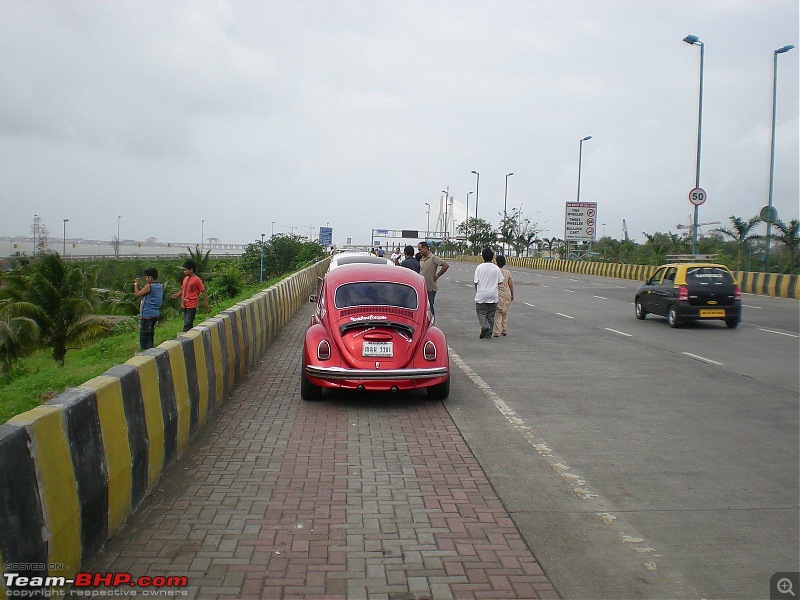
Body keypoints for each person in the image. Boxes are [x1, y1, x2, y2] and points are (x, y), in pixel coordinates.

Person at [172, 260, 210, 332]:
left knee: (187, 324)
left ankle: (184, 337)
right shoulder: (185, 279)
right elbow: (183, 290)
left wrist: (206, 304)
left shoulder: (197, 280)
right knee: (187, 323)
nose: (184, 272)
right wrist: (177, 295)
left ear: (191, 270)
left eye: (185, 270)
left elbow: (203, 290)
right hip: (184, 305)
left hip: (192, 305)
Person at [474, 248, 503, 339]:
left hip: (482, 293)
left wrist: (478, 291)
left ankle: (485, 326)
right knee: (490, 315)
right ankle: (488, 333)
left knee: (481, 312)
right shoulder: (496, 268)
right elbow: (500, 281)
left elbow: (476, 282)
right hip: (493, 294)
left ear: (483, 256)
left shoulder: (479, 267)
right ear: (492, 257)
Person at [134, 267, 163, 350]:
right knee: (150, 334)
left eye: (146, 277)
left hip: (147, 314)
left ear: (150, 277)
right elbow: (145, 292)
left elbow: (137, 294)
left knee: (144, 335)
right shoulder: (159, 286)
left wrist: (136, 285)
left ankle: (145, 350)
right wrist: (140, 286)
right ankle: (150, 349)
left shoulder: (149, 286)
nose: (146, 279)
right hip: (155, 314)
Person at [417, 241, 448, 316]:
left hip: (430, 288)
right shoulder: (422, 259)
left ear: (425, 248)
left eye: (420, 249)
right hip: (422, 288)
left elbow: (445, 265)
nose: (419, 251)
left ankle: (432, 323)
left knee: (430, 307)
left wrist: (437, 275)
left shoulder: (433, 258)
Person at [492, 255, 515, 337]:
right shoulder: (507, 272)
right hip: (507, 293)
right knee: (505, 312)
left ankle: (497, 331)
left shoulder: (495, 271)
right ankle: (504, 329)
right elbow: (511, 285)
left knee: (497, 313)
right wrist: (512, 294)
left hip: (498, 293)